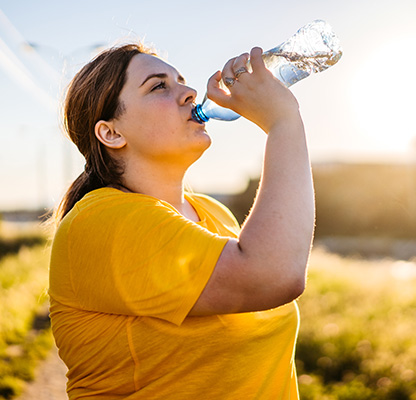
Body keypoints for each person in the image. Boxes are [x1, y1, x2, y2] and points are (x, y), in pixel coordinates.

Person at [48, 42, 315, 399]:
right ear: (111, 133)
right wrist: (283, 123)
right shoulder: (100, 220)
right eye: (159, 86)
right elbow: (273, 275)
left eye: (182, 81)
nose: (189, 93)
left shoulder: (212, 214)